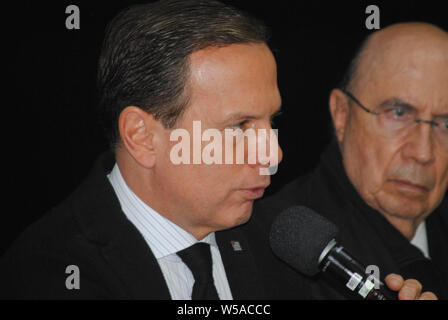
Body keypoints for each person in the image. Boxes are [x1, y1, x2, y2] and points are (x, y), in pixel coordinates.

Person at [0, 1, 434, 300]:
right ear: (142, 136)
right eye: (241, 126)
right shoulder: (49, 273)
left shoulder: (282, 241)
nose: (274, 154)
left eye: (272, 121)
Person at [256, 22, 448, 299]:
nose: (423, 152)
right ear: (342, 114)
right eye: (397, 113)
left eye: (445, 124)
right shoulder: (264, 249)